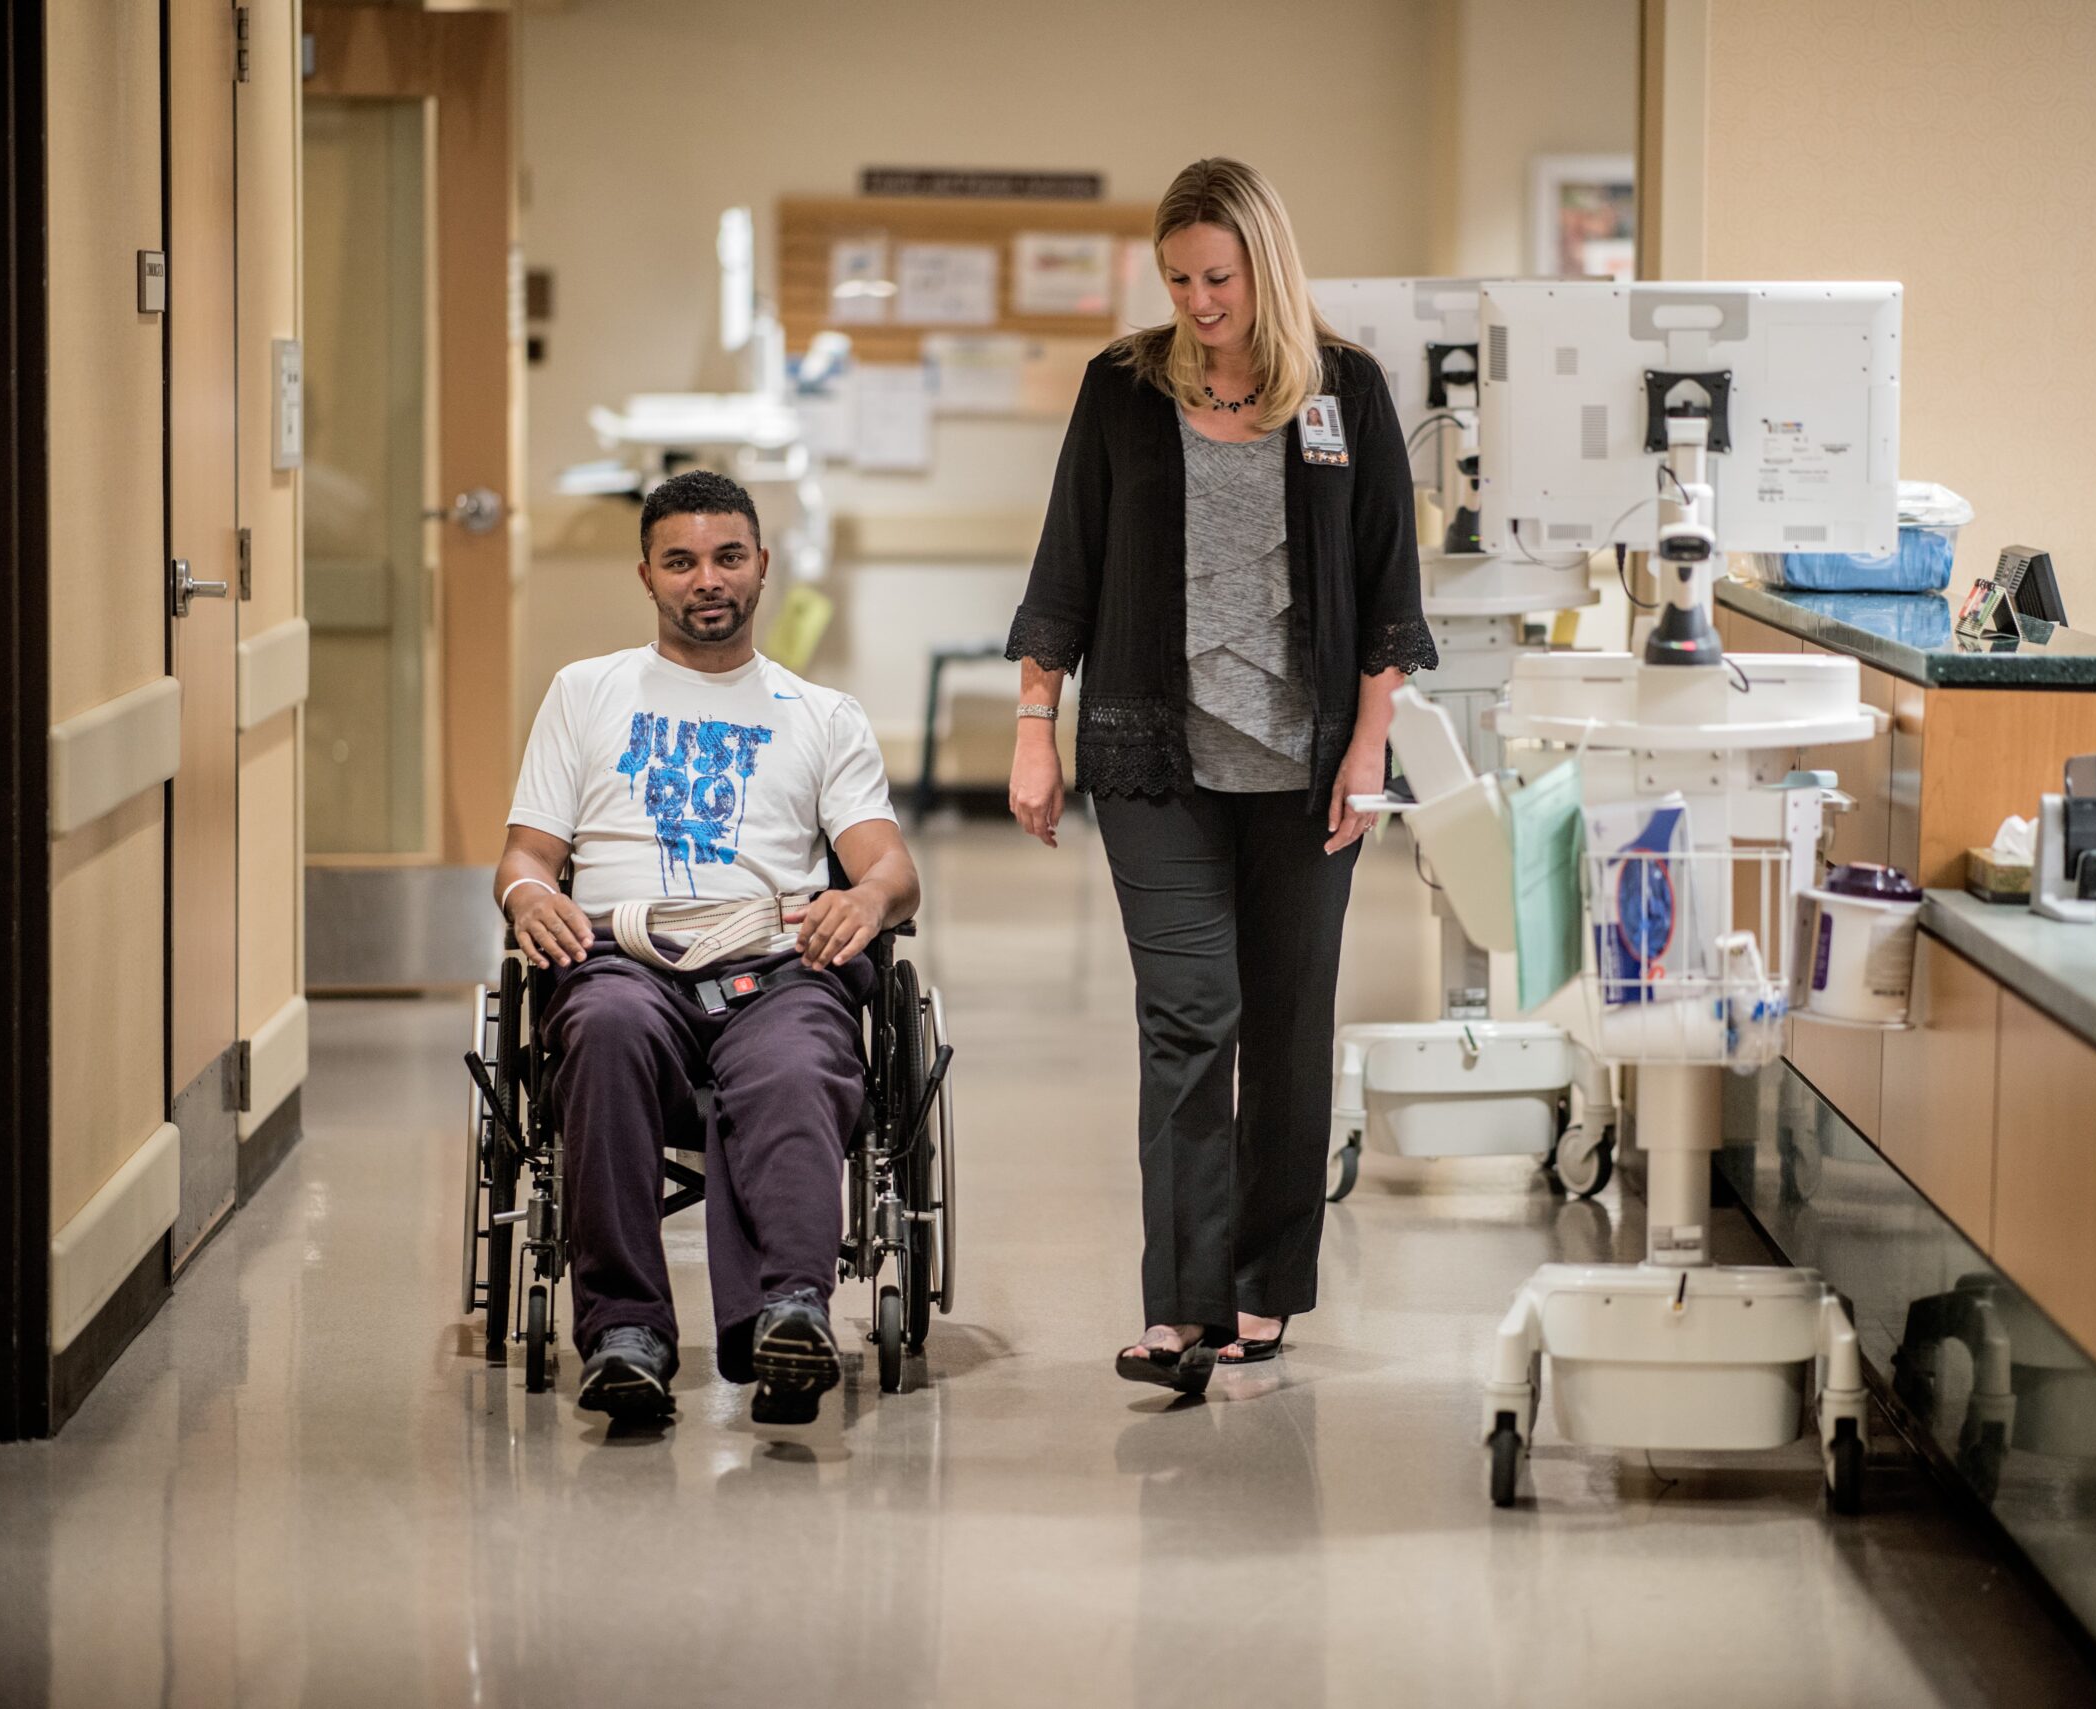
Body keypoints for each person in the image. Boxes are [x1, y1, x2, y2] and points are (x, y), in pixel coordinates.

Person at [1003, 157, 1437, 1396]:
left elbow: (1387, 587)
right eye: (1180, 279)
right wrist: (1036, 723)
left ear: (1266, 267)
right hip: (1157, 754)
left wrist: (1368, 747)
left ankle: (1263, 1285)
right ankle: (1180, 1305)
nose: (1199, 302)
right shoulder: (1123, 390)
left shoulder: (1344, 390)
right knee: (1190, 1018)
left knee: (1290, 1024)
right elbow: (1065, 568)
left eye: (1220, 278)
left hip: (1305, 770)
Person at [494, 468, 919, 1425]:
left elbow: (889, 864)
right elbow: (527, 854)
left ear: (762, 565)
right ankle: (626, 1333)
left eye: (728, 557)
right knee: (599, 1032)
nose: (707, 579)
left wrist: (869, 898)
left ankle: (790, 1312)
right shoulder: (585, 691)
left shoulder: (821, 715)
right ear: (645, 573)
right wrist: (526, 894)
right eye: (680, 561)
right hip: (620, 958)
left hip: (775, 962)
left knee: (801, 1059)